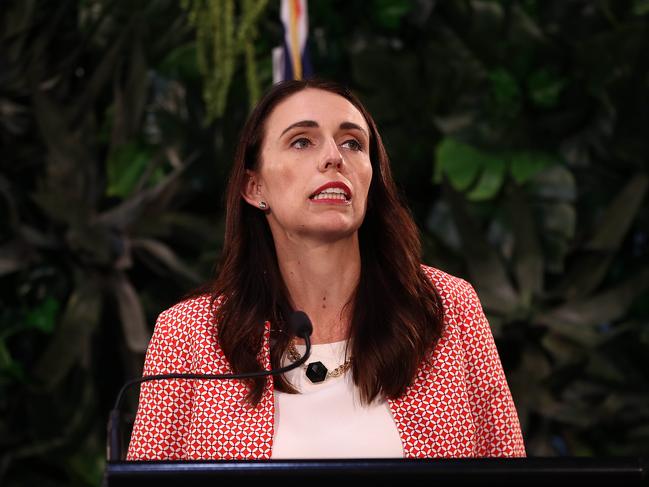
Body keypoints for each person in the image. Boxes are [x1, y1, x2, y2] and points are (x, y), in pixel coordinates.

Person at [127, 78, 526, 460]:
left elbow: (509, 473)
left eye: (353, 143)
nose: (334, 156)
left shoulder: (447, 307)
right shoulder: (189, 335)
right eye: (302, 141)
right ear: (255, 187)